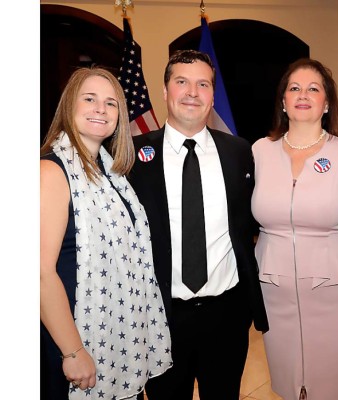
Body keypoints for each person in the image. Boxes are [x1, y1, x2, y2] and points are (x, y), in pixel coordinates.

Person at [128, 49, 269, 400]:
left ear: (212, 94)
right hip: (162, 316)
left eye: (202, 84)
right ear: (165, 91)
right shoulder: (132, 156)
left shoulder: (239, 152)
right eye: (182, 82)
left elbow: (253, 220)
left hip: (227, 314)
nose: (192, 92)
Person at [40, 67, 172, 400]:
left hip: (113, 340)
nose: (101, 109)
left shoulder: (111, 173)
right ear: (69, 106)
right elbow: (38, 272)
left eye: (111, 103)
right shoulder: (50, 171)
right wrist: (73, 352)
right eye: (90, 99)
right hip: (68, 341)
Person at [251, 58, 338, 400]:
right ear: (283, 101)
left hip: (334, 288)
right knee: (287, 381)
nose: (303, 95)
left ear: (327, 102)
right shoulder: (260, 151)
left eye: (313, 89)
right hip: (272, 289)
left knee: (331, 384)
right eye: (294, 88)